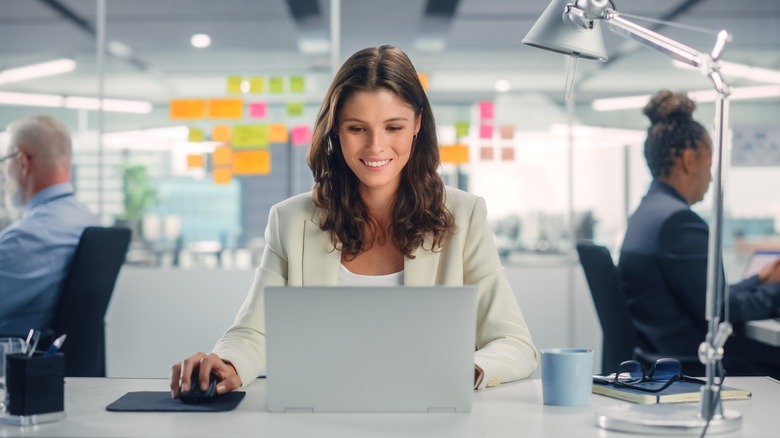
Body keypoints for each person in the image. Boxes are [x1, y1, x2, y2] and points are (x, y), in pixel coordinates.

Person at [171, 45, 538, 398]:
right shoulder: (290, 220)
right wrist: (227, 363)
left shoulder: (463, 215)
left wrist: (465, 371)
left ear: (417, 124)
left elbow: (514, 343)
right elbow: (254, 332)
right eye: (357, 128)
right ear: (335, 129)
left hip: (429, 413)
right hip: (320, 412)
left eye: (393, 127)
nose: (376, 146)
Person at [618, 90, 780, 377]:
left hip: (660, 358)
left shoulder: (647, 214)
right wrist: (775, 290)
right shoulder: (678, 222)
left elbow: (705, 296)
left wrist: (759, 279)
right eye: (709, 164)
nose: (711, 177)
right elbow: (720, 311)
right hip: (693, 364)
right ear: (689, 160)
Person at [0, 115, 100, 337]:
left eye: (5, 162)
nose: (4, 174)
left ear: (23, 162)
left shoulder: (28, 238)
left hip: (14, 353)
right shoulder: (87, 219)